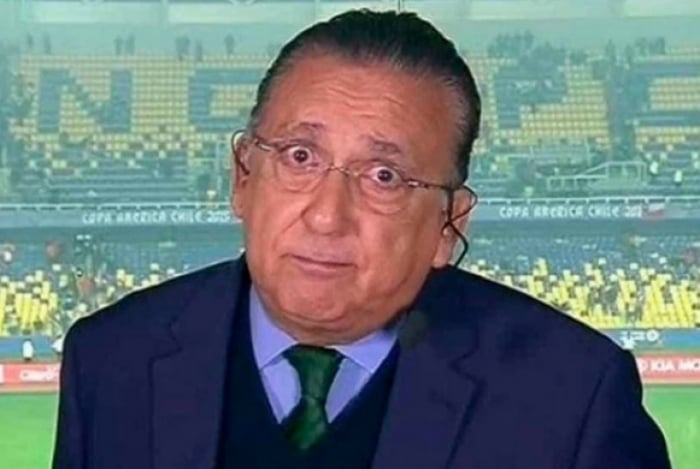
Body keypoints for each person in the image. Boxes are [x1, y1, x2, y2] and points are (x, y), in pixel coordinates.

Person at [53, 10, 670, 469]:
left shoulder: (574, 400)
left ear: (450, 225)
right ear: (243, 176)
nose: (327, 217)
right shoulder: (110, 361)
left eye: (384, 177)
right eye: (299, 156)